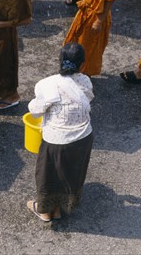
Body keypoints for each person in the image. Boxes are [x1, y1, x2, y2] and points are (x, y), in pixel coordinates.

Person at [26, 43, 94, 223]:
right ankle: (60, 207)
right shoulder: (86, 81)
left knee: (49, 174)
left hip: (56, 140)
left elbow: (35, 111)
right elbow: (87, 99)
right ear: (82, 64)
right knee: (70, 172)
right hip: (83, 137)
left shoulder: (47, 84)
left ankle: (45, 211)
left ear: (60, 61)